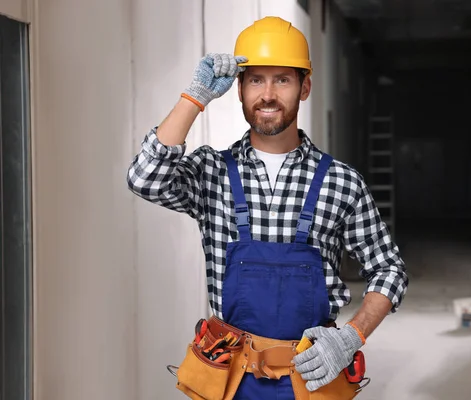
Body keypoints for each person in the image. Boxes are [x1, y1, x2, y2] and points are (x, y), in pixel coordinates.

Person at [127, 16, 408, 400]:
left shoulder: (342, 182)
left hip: (314, 376)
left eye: (283, 79)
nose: (268, 94)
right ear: (239, 89)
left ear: (305, 87)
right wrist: (195, 97)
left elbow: (389, 269)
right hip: (229, 378)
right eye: (256, 79)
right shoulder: (212, 172)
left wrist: (349, 337)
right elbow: (145, 178)